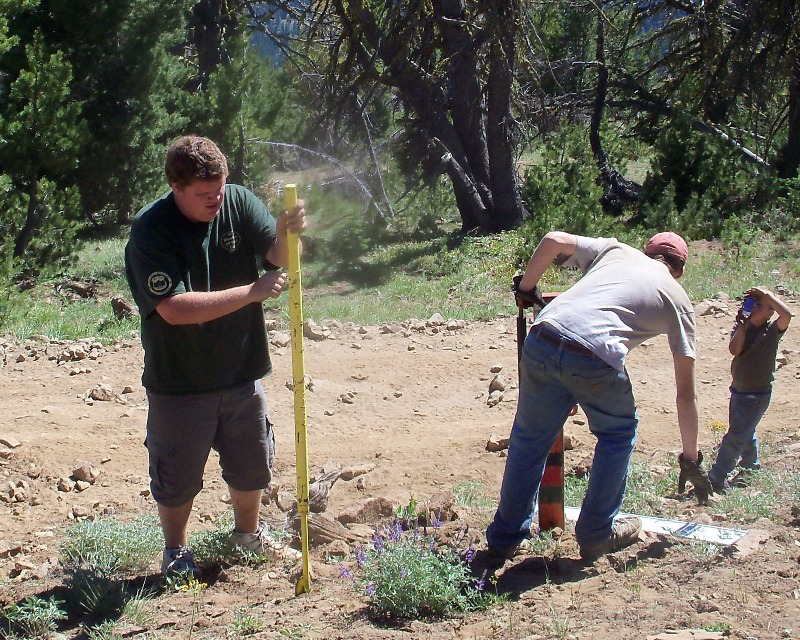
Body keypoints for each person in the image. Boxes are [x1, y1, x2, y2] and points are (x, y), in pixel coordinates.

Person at [124, 135, 306, 581]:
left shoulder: (238, 202)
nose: (216, 200)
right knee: (176, 476)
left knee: (251, 465)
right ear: (175, 185)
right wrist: (253, 292)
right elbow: (173, 309)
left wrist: (286, 233)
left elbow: (277, 256)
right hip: (179, 380)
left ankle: (248, 537)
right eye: (205, 195)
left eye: (220, 188)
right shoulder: (151, 230)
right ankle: (176, 551)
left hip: (241, 370)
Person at [484, 231, 711, 564]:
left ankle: (504, 538)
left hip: (543, 336)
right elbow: (685, 395)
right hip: (595, 356)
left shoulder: (616, 250)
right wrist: (690, 459)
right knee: (618, 434)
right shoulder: (678, 300)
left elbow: (552, 240)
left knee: (530, 439)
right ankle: (595, 535)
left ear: (647, 251)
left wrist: (526, 290)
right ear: (679, 270)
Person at [707, 287, 792, 492]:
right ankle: (750, 468)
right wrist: (743, 324)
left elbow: (787, 315)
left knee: (736, 436)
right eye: (753, 304)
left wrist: (770, 297)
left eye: (761, 306)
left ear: (770, 311)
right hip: (739, 389)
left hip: (758, 392)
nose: (755, 308)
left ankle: (716, 476)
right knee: (746, 430)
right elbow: (734, 350)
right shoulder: (742, 327)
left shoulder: (771, 331)